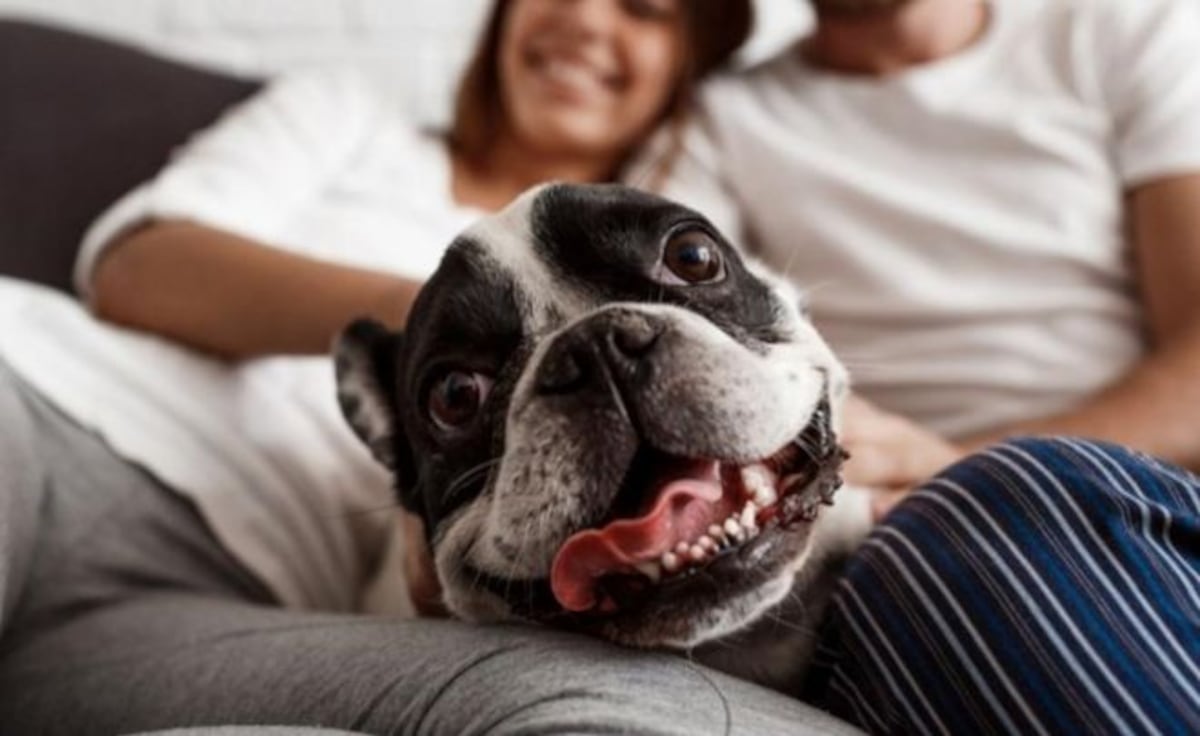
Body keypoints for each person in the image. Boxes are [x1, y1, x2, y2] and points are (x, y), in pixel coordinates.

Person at [0, 2, 865, 734]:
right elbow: (136, 269)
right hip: (49, 411)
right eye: (458, 394)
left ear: (688, 65)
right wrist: (437, 312)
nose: (585, 20)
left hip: (204, 601)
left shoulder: (697, 199)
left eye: (643, 6)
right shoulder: (350, 117)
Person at [652, 0, 1200, 731]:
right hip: (906, 543)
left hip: (1139, 500)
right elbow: (684, 353)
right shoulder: (719, 125)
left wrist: (965, 465)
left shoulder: (1124, 31)